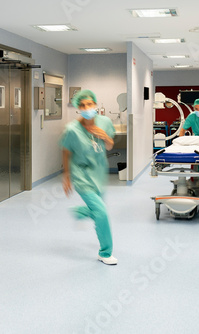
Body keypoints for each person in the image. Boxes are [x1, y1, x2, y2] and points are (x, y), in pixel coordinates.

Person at [60, 89, 117, 265]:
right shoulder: (72, 129)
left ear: (96, 105)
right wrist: (67, 176)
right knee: (102, 212)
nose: (86, 108)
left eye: (89, 104)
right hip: (81, 175)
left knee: (98, 210)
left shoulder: (105, 122)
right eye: (82, 105)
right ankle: (105, 253)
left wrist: (105, 137)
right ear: (78, 108)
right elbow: (66, 150)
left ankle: (81, 211)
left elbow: (109, 146)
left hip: (98, 173)